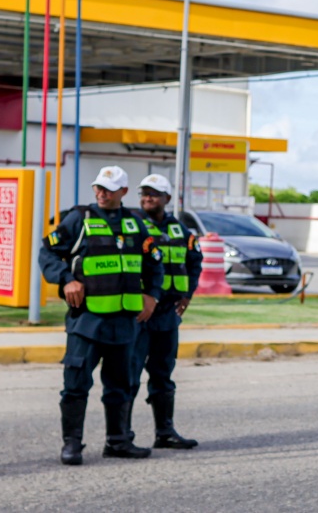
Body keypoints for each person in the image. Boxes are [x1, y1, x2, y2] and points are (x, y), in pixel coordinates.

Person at [39, 166, 164, 465]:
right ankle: (71, 445)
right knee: (75, 385)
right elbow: (48, 252)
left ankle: (119, 441)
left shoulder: (136, 224)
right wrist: (66, 278)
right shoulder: (79, 219)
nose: (101, 193)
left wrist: (153, 295)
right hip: (88, 322)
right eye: (98, 187)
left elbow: (153, 262)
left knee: (123, 385)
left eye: (108, 188)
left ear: (123, 191)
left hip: (125, 323)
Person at [129, 174, 202, 449]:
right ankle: (121, 435)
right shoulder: (133, 226)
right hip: (138, 314)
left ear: (167, 199)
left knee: (162, 374)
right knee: (129, 375)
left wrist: (187, 294)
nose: (148, 198)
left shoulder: (181, 232)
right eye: (144, 193)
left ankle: (165, 432)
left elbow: (195, 262)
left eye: (155, 194)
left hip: (168, 316)